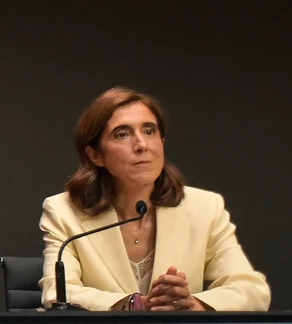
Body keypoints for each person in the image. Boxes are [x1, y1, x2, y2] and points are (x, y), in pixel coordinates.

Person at [40, 88, 269, 311]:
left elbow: (252, 290)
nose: (142, 145)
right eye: (122, 134)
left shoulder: (205, 208)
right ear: (96, 155)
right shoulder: (63, 211)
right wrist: (136, 304)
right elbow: (57, 293)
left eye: (149, 131)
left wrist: (193, 305)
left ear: (162, 141)